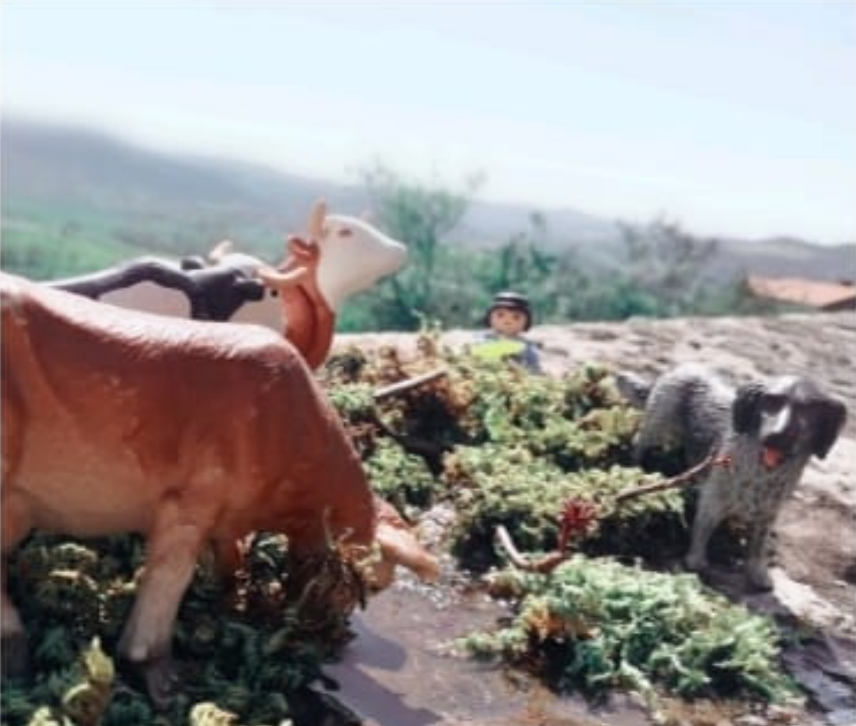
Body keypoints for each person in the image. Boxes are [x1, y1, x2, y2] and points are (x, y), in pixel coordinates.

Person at [474, 291, 542, 373]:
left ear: (526, 322)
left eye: (516, 317)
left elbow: (534, 369)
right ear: (489, 317)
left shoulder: (527, 348)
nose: (507, 321)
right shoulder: (481, 339)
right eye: (500, 315)